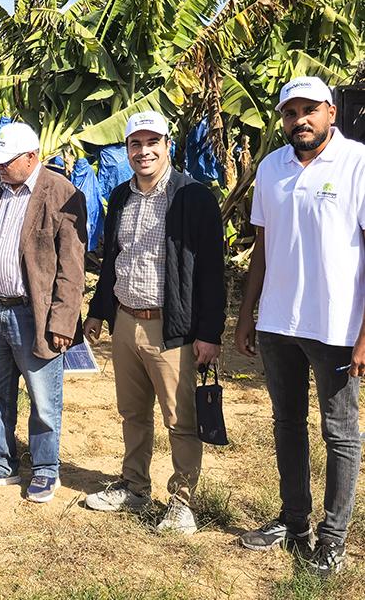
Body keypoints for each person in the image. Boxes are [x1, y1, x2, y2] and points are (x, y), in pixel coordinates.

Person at [235, 76, 365, 576]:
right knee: (286, 422)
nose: (300, 120)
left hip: (336, 325)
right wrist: (248, 315)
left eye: (310, 109)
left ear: (331, 112)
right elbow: (263, 251)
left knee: (340, 432)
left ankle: (333, 538)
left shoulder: (356, 164)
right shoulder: (271, 167)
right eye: (291, 112)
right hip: (277, 323)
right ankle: (294, 521)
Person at [82, 111, 226, 534]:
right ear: (126, 150)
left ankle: (183, 502)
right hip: (127, 321)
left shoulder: (192, 197)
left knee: (180, 420)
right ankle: (134, 486)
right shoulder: (122, 197)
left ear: (167, 146)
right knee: (133, 412)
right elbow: (113, 260)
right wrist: (98, 311)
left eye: (152, 143)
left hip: (172, 328)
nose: (143, 152)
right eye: (135, 144)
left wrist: (208, 333)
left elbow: (211, 272)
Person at [0, 123, 87, 504]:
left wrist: (62, 321)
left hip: (35, 315)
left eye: (7, 161)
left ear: (31, 157)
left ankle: (46, 470)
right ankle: (0, 463)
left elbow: (71, 267)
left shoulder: (61, 193)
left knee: (44, 399)